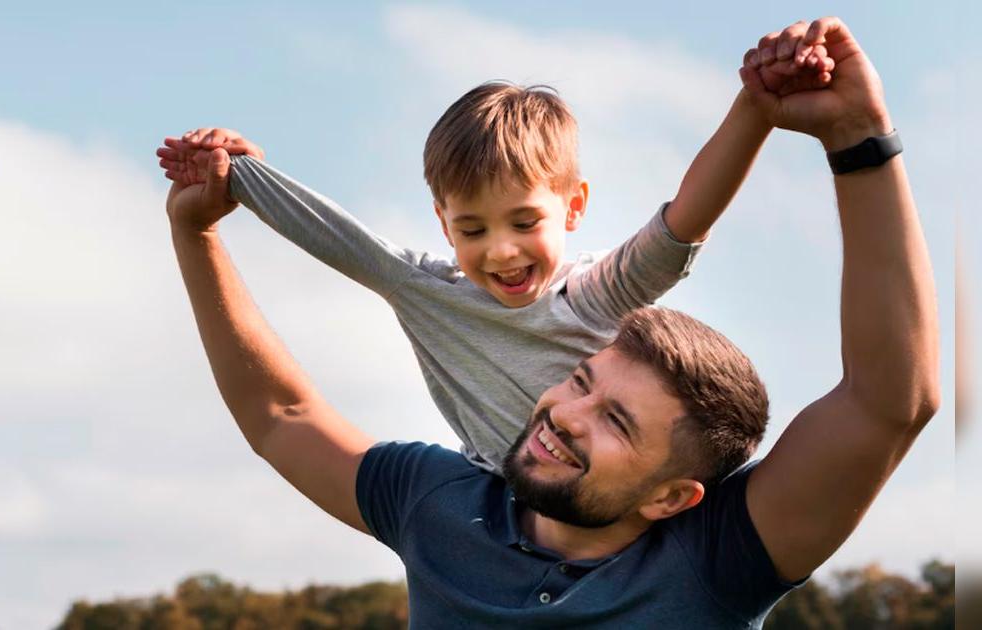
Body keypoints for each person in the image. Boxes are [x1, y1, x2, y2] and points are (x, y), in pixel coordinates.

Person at [166, 17, 938, 627]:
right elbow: (280, 415)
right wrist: (197, 233)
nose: (563, 414)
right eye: (580, 378)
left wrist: (858, 137)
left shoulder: (720, 560)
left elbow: (888, 402)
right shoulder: (438, 506)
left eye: (618, 422)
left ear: (672, 496)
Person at [155, 30, 834, 473]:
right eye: (473, 229)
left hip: (631, 510)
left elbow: (686, 219)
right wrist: (235, 170)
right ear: (444, 225)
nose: (502, 250)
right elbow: (334, 235)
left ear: (573, 207)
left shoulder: (594, 294)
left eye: (524, 221)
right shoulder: (427, 292)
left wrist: (756, 107)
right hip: (504, 510)